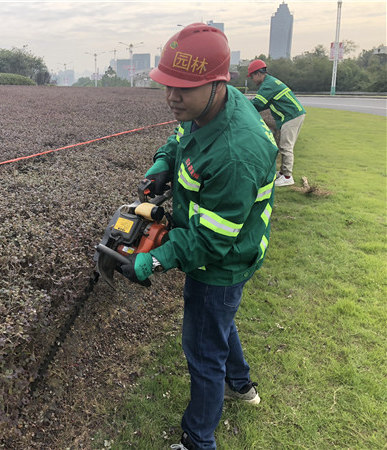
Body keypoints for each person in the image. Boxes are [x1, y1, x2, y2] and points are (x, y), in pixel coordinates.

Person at [118, 23, 278, 450]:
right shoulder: (205, 109)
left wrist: (152, 259)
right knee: (218, 322)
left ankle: (197, 441)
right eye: (167, 85)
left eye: (183, 88)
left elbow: (210, 242)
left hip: (223, 260)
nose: (172, 97)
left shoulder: (236, 151)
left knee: (204, 352)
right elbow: (179, 140)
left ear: (217, 82)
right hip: (222, 250)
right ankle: (242, 386)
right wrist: (160, 167)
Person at [248, 59, 306, 187]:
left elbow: (257, 104)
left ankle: (287, 176)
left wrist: (243, 105)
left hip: (291, 116)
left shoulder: (268, 85)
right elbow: (264, 105)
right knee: (283, 145)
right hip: (291, 115)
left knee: (286, 146)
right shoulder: (270, 82)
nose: (252, 80)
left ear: (258, 74)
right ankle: (283, 172)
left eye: (252, 76)